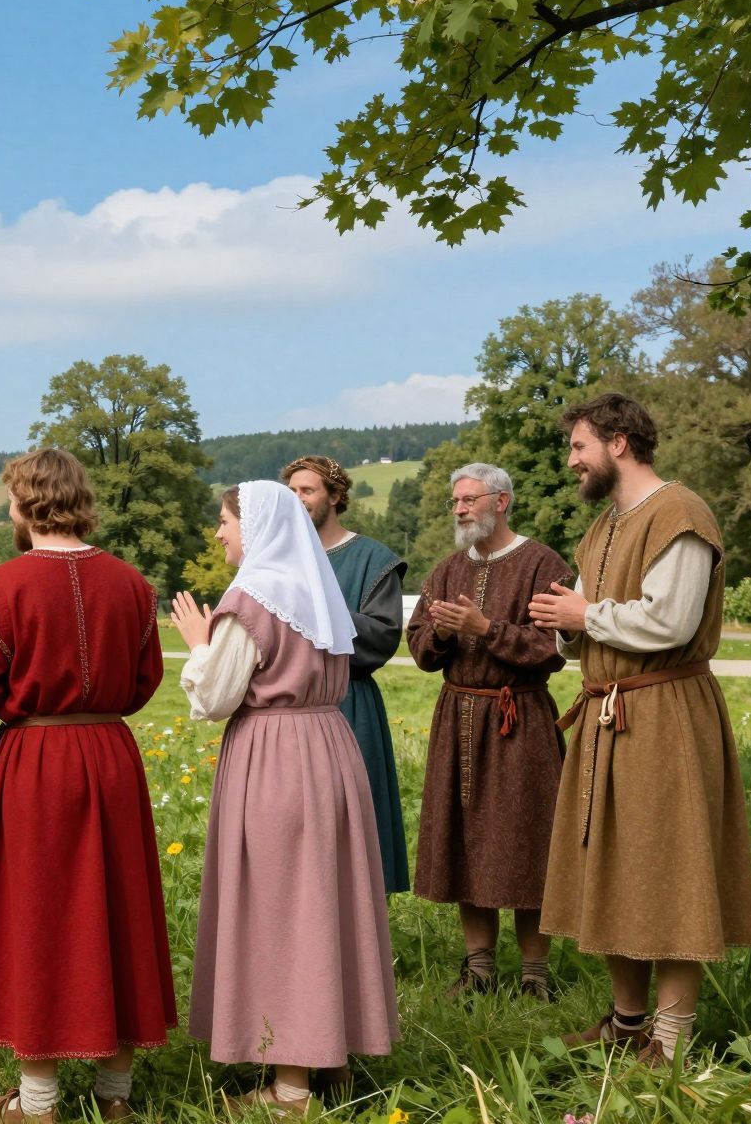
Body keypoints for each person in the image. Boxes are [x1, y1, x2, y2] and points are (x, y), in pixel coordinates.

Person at [528, 393, 751, 1067]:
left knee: (671, 865)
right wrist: (563, 625)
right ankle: (628, 1027)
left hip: (665, 716)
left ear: (618, 442)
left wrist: (584, 614)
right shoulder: (601, 528)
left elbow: (671, 622)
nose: (571, 460)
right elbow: (591, 620)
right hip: (606, 714)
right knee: (612, 867)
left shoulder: (679, 515)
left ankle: (671, 1040)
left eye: (578, 446)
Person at [0, 449, 175, 1124]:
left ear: (23, 503)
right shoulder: (132, 585)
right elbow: (142, 685)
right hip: (109, 756)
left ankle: (38, 1103)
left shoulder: (2, 588)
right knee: (119, 907)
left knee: (37, 915)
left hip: (38, 761)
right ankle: (115, 1097)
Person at [172, 481, 399, 1119]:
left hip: (275, 759)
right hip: (329, 745)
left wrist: (197, 643)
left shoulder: (252, 596)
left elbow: (215, 698)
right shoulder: (315, 590)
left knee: (283, 912)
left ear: (259, 526)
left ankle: (291, 1089)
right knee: (324, 902)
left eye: (224, 521)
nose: (219, 534)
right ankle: (330, 1060)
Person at [407, 463, 572, 999]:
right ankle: (478, 970)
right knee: (464, 840)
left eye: (469, 500)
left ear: (501, 502)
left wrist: (486, 629)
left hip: (518, 720)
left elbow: (553, 650)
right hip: (457, 718)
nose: (459, 509)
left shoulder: (542, 563)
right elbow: (419, 648)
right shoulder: (448, 568)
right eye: (455, 501)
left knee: (527, 841)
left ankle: (535, 976)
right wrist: (443, 633)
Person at [281, 455, 410, 894]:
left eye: (308, 491)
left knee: (353, 822)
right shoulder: (280, 562)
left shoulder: (373, 559)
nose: (298, 500)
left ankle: (362, 941)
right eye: (292, 492)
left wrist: (316, 616)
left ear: (336, 497)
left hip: (349, 702)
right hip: (288, 710)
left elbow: (382, 636)